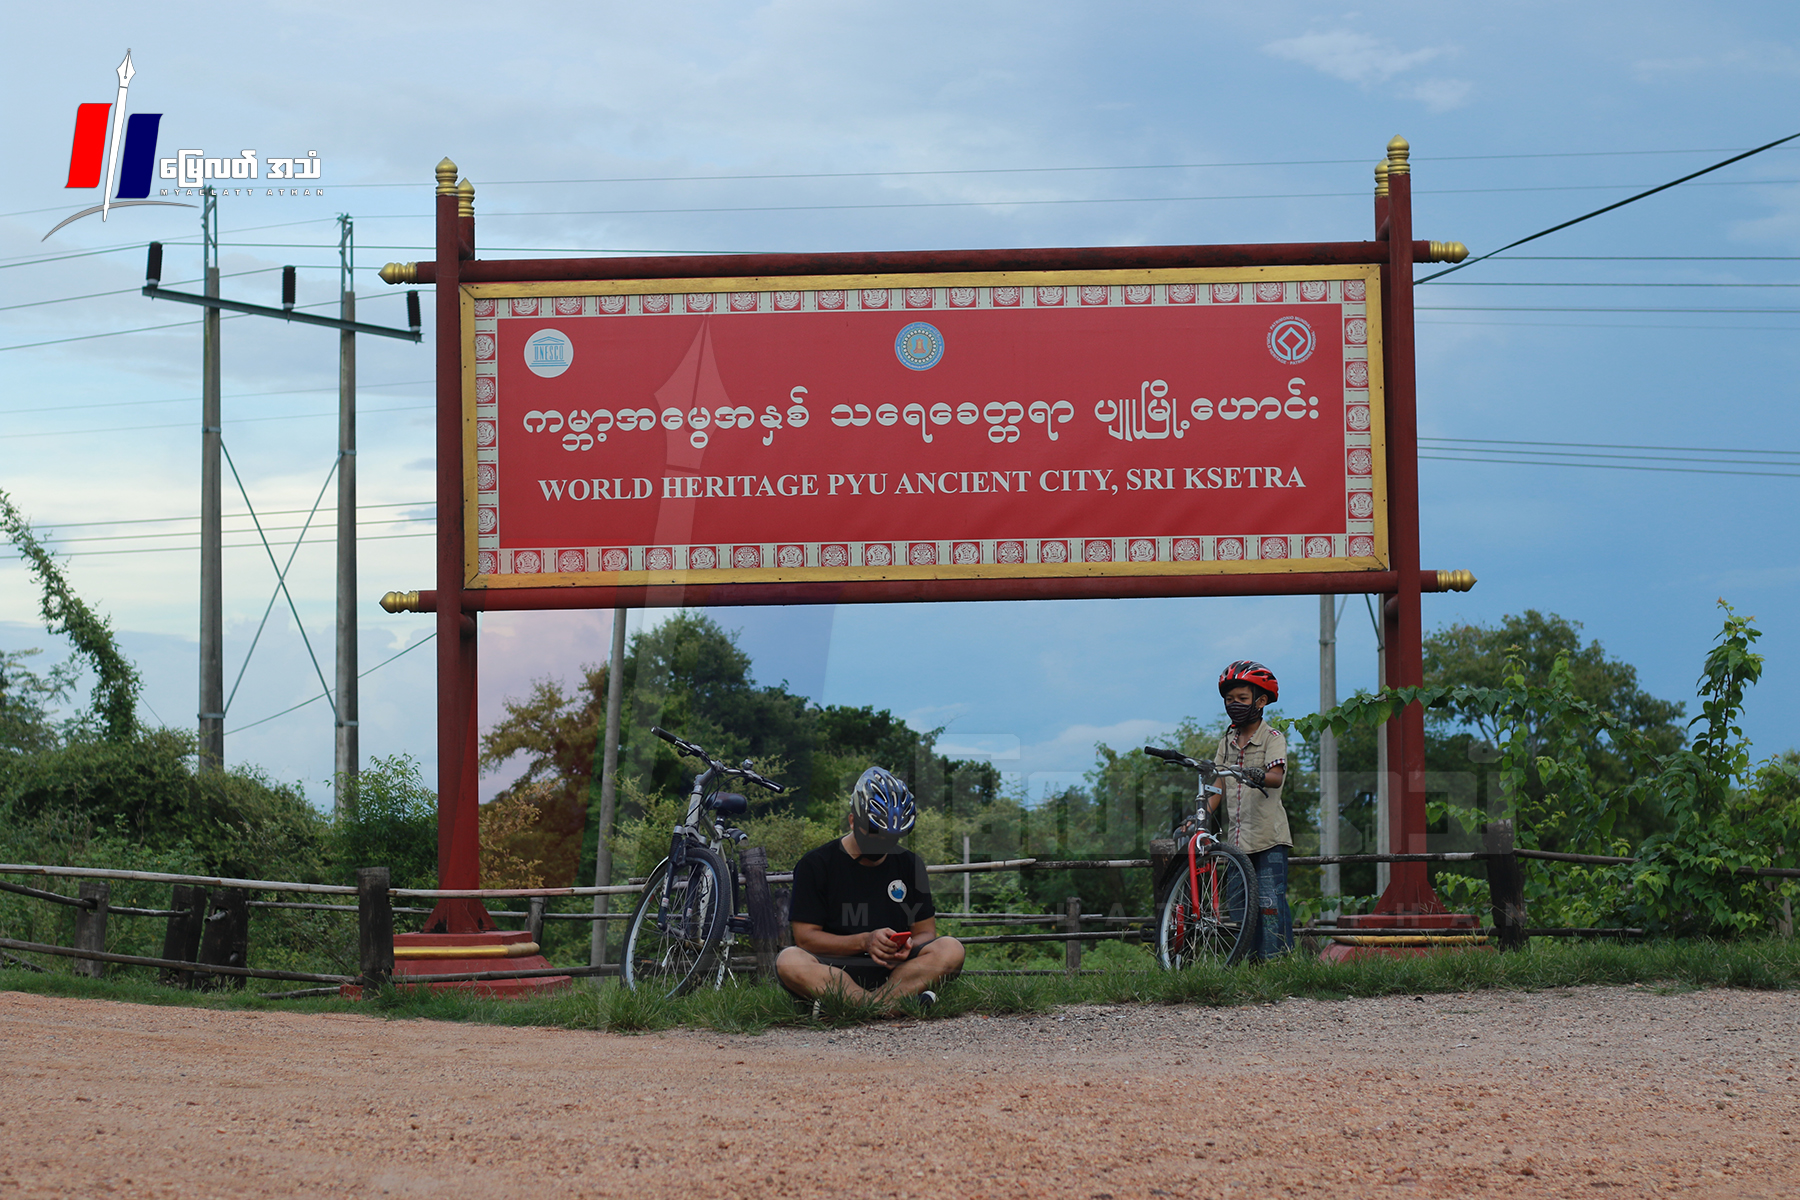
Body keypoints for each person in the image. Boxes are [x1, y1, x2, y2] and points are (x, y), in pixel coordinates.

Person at [776, 766, 965, 1012]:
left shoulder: (910, 864)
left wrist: (904, 946)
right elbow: (805, 938)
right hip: (835, 969)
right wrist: (865, 942)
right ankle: (890, 1006)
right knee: (789, 960)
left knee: (951, 949)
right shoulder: (816, 864)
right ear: (853, 820)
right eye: (874, 833)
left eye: (891, 837)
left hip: (895, 971)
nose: (882, 843)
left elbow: (926, 932)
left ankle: (858, 1007)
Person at [1211, 660, 1293, 959]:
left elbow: (1276, 776)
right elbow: (1218, 781)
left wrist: (1257, 774)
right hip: (1237, 841)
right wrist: (1201, 814)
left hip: (1268, 837)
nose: (1235, 705)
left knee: (1270, 902)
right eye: (1229, 700)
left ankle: (1277, 964)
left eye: (1242, 699)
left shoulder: (1272, 739)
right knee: (1241, 906)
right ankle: (1249, 965)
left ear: (1260, 701)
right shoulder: (1227, 741)